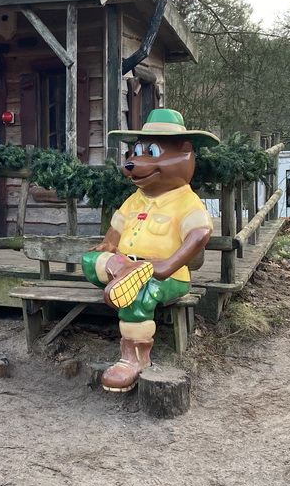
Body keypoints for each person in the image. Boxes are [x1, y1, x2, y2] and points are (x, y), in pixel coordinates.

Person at [81, 109, 219, 393]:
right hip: (127, 265)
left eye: (151, 152)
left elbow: (200, 234)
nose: (133, 163)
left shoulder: (186, 202)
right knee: (90, 259)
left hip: (167, 277)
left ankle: (133, 358)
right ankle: (125, 271)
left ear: (185, 153)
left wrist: (166, 265)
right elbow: (116, 227)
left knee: (142, 292)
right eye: (135, 152)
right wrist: (109, 244)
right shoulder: (136, 198)